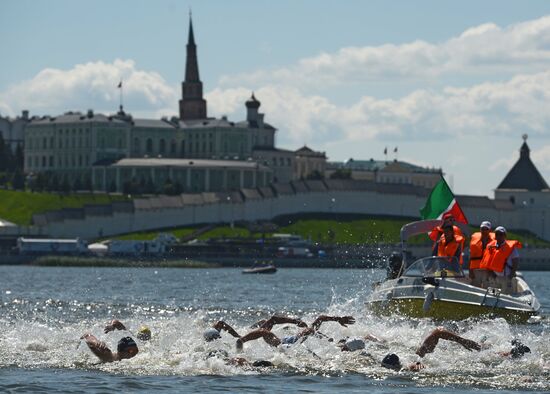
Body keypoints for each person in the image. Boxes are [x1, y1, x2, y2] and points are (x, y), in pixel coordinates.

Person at [380, 328, 529, 372]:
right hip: (450, 363)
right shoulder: (414, 362)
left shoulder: (416, 357)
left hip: (448, 361)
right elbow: (438, 332)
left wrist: (461, 340)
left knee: (483, 355)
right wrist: (461, 341)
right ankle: (511, 354)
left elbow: (438, 332)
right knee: (484, 356)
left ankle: (511, 353)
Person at [236, 315, 355, 351]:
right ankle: (241, 339)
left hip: (285, 345)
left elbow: (311, 329)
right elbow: (320, 318)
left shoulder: (331, 344)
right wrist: (338, 318)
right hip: (284, 341)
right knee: (267, 323)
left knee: (263, 330)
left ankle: (241, 340)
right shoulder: (310, 330)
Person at [480, 226, 522, 294]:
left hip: (506, 277)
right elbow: (488, 262)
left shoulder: (511, 248)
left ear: (505, 236)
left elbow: (515, 263)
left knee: (507, 297)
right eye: (497, 234)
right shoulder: (491, 247)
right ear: (495, 236)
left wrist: (510, 276)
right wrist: (491, 275)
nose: (499, 236)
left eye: (501, 234)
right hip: (494, 277)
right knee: (493, 296)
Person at [203, 316, 307, 342]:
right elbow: (274, 319)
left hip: (241, 338)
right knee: (270, 320)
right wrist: (296, 322)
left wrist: (237, 336)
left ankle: (259, 324)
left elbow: (220, 323)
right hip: (247, 339)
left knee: (264, 321)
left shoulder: (207, 343)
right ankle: (295, 321)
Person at [469, 221, 495, 286]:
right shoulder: (475, 241)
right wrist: (470, 271)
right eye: (483, 229)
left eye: (486, 229)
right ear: (480, 230)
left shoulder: (494, 242)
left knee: (488, 289)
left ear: (490, 230)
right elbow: (471, 257)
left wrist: (492, 271)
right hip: (476, 270)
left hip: (487, 270)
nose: (484, 231)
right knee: (475, 290)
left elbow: (494, 258)